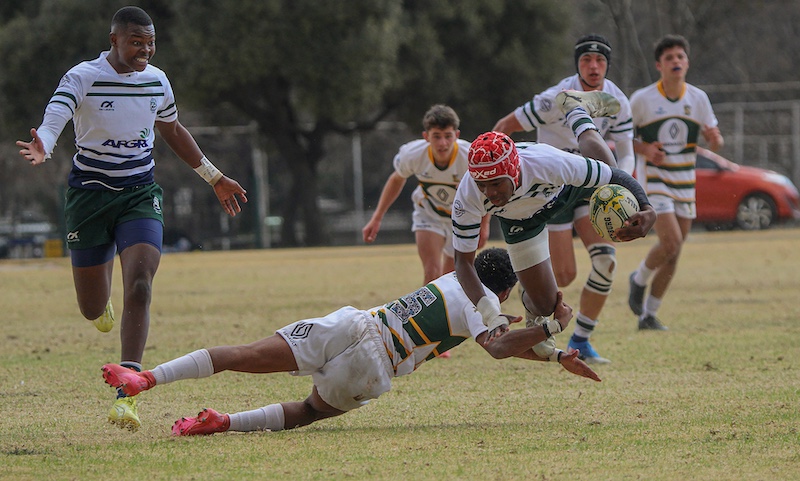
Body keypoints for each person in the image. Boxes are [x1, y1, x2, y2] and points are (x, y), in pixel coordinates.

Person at [15, 6, 248, 431]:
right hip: (88, 199)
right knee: (90, 308)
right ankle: (99, 301)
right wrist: (44, 144)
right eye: (136, 42)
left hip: (140, 194)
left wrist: (213, 177)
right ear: (114, 41)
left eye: (150, 42)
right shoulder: (83, 76)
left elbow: (173, 130)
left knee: (140, 284)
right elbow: (58, 114)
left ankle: (128, 394)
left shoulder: (157, 80)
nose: (145, 50)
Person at [101, 247, 601, 436]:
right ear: (507, 287)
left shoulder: (457, 280)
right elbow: (498, 345)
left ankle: (143, 376)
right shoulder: (487, 308)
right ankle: (222, 423)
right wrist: (555, 327)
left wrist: (555, 354)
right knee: (312, 411)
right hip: (374, 361)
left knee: (244, 354)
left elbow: (506, 338)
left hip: (354, 323)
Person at [452, 91, 657, 360]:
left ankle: (576, 111)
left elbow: (616, 176)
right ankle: (532, 297)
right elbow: (463, 263)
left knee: (610, 176)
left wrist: (646, 208)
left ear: (514, 170)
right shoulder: (468, 194)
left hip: (564, 192)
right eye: (482, 184)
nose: (489, 193)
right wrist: (491, 315)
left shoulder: (547, 162)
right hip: (521, 223)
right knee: (546, 304)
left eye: (496, 183)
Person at [492, 34, 634, 364]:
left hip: (590, 185)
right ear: (577, 65)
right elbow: (505, 126)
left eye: (600, 61)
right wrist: (499, 171)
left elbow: (626, 152)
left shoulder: (617, 101)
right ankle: (531, 296)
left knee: (606, 262)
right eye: (586, 60)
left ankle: (582, 339)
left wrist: (623, 183)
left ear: (607, 65)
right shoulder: (552, 99)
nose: (594, 66)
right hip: (553, 189)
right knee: (564, 276)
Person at [627, 34, 723, 331]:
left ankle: (649, 315)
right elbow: (622, 139)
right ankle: (639, 278)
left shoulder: (698, 99)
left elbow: (716, 141)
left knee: (674, 252)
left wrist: (715, 139)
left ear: (687, 63)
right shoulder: (642, 99)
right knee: (671, 242)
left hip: (685, 181)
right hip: (655, 181)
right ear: (659, 65)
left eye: (680, 57)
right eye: (669, 58)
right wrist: (645, 150)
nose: (676, 62)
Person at [362, 105, 490, 285]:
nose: (442, 143)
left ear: (457, 135)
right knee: (432, 272)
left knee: (451, 280)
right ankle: (426, 314)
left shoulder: (469, 157)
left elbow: (485, 191)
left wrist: (484, 225)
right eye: (436, 136)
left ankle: (447, 313)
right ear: (426, 137)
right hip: (428, 214)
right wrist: (377, 217)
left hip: (461, 217)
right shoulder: (413, 154)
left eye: (447, 136)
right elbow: (396, 179)